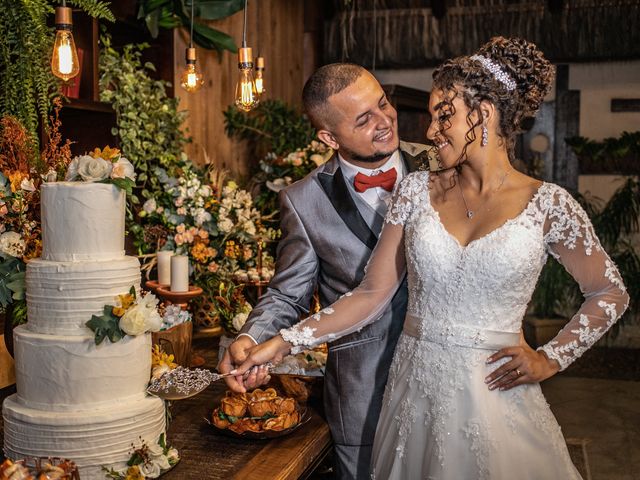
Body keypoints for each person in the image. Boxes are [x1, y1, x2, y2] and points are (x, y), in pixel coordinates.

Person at [231, 37, 630, 479]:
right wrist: (280, 342)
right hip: (412, 394)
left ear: (483, 114)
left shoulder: (550, 204)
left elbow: (608, 292)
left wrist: (550, 357)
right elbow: (370, 293)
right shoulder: (416, 190)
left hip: (495, 396)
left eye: (444, 116)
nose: (430, 130)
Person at [218, 63, 431, 479]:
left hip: (441, 377)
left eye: (382, 104)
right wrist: (251, 337)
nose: (385, 122)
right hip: (361, 391)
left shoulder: (442, 167)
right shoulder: (303, 201)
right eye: (363, 119)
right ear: (329, 137)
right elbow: (287, 294)